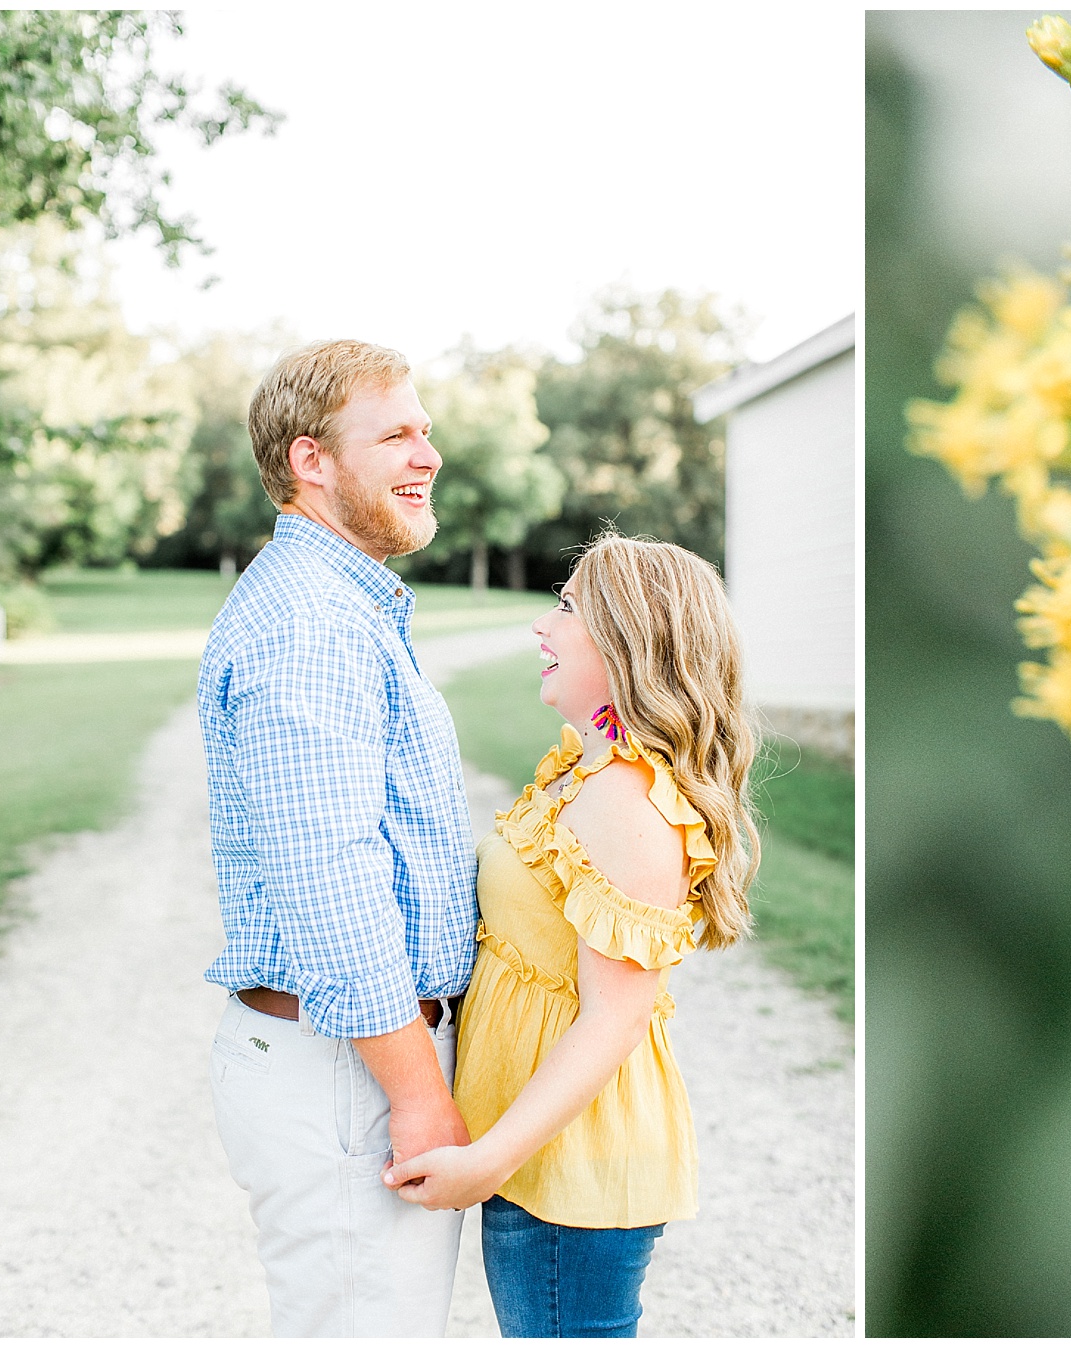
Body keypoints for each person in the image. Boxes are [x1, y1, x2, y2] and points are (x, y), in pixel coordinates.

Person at [382, 534, 760, 1338]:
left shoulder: (628, 803)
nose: (541, 626)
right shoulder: (587, 770)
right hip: (539, 1150)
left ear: (629, 642)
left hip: (568, 1165)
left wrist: (485, 1163)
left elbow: (614, 1020)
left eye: (566, 607)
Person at [199, 339, 477, 1336]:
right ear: (311, 460)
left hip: (352, 1065)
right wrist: (417, 1090)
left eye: (426, 431)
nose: (428, 454)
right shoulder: (309, 624)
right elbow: (330, 878)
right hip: (347, 1075)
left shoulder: (340, 606)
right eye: (396, 434)